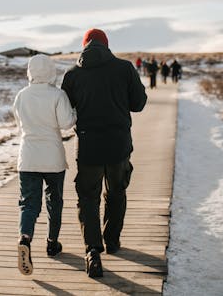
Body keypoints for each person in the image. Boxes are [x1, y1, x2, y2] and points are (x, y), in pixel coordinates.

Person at [61, 29, 147, 278]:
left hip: (88, 146)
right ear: (106, 45)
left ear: (84, 45)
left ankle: (92, 251)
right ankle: (112, 241)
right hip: (118, 144)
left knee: (88, 198)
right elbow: (138, 104)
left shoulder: (73, 74)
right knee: (116, 192)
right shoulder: (125, 68)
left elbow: (67, 112)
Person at [12, 54, 76, 276]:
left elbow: (18, 123)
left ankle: (25, 238)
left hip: (28, 157)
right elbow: (67, 123)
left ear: (30, 71)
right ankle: (52, 242)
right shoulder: (57, 95)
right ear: (51, 71)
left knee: (29, 204)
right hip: (52, 158)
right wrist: (75, 113)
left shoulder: (22, 96)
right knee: (54, 200)